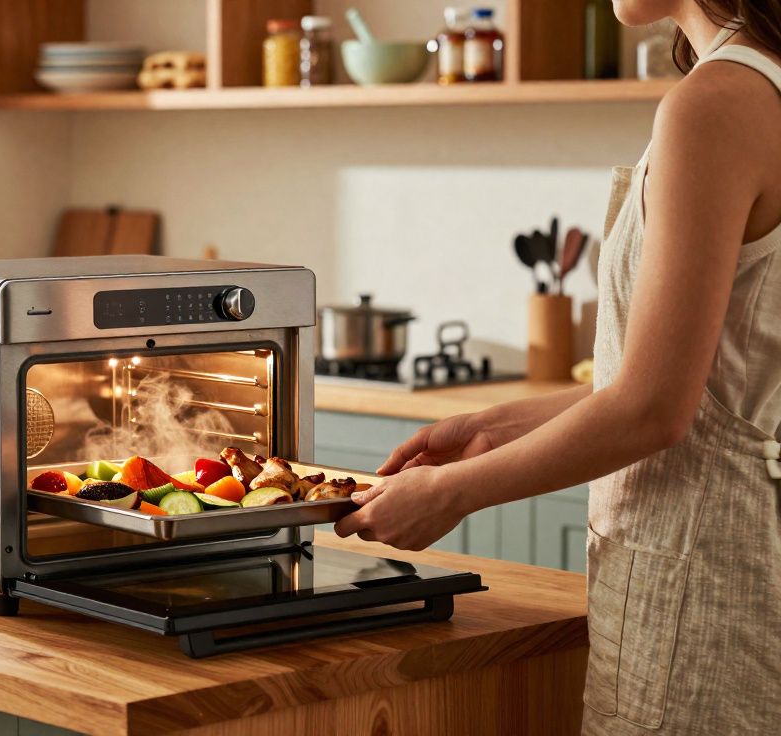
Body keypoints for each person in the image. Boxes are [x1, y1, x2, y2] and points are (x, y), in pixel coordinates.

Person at [333, 1, 781, 732]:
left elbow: (653, 410)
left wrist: (453, 493)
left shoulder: (714, 105)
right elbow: (710, 390)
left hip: (704, 583)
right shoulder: (762, 87)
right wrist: (490, 427)